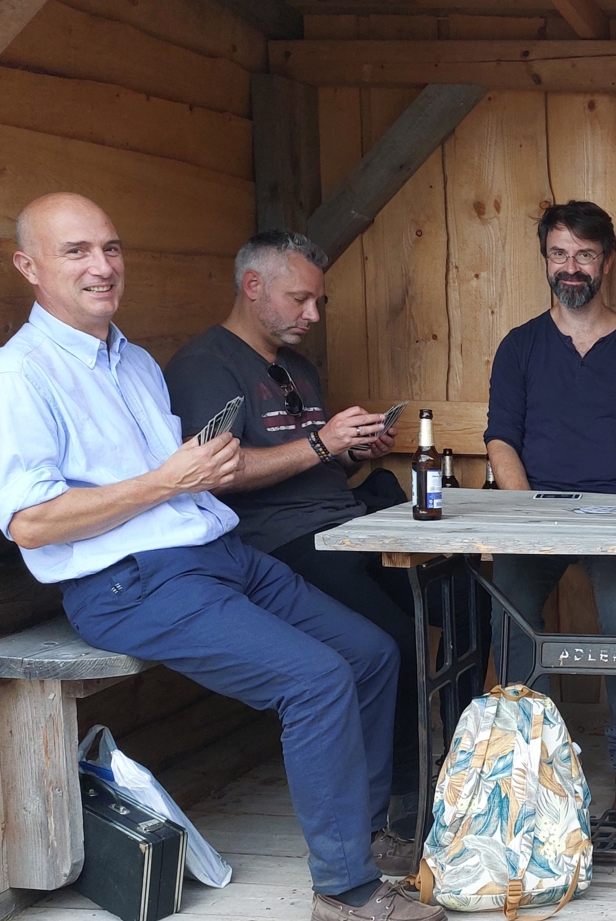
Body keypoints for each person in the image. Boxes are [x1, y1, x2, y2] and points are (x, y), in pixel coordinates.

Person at [0, 193, 444, 921]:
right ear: (29, 267)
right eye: (76, 252)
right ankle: (344, 889)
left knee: (372, 653)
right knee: (314, 681)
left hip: (217, 553)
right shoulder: (11, 382)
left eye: (111, 248)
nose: (101, 267)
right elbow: (30, 521)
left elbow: (185, 480)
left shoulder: (135, 362)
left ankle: (371, 834)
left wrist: (201, 474)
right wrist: (166, 481)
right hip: (128, 581)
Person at [165, 230, 424, 870]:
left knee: (446, 602)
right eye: (300, 299)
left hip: (343, 519)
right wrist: (322, 445)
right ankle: (402, 802)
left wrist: (353, 449)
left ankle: (447, 768)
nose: (312, 314)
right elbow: (216, 473)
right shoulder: (206, 367)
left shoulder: (296, 364)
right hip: (272, 542)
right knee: (390, 635)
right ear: (253, 287)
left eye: (318, 302)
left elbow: (310, 457)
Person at [484, 200, 616, 814]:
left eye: (584, 255)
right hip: (533, 512)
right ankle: (522, 759)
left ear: (607, 262)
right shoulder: (519, 347)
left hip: (615, 514)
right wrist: (527, 514)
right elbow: (500, 439)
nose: (572, 267)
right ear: (546, 260)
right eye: (560, 254)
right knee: (510, 608)